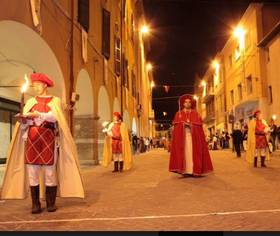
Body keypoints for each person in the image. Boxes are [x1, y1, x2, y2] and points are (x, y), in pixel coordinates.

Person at [1, 73, 85, 214]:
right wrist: (23, 121)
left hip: (48, 139)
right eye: (34, 85)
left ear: (45, 85)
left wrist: (38, 114)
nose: (35, 87)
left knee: (50, 172)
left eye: (38, 85)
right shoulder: (30, 102)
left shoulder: (55, 100)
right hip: (33, 139)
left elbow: (55, 117)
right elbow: (25, 124)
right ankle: (35, 204)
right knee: (32, 171)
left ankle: (51, 203)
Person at [169, 94, 213, 177]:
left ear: (191, 104)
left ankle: (194, 170)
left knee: (194, 154)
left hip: (194, 138)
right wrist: (183, 125)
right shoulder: (178, 114)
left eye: (189, 102)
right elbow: (176, 128)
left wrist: (191, 126)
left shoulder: (196, 114)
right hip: (183, 139)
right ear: (183, 104)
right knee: (185, 154)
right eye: (186, 102)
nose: (187, 103)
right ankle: (185, 171)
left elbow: (199, 127)